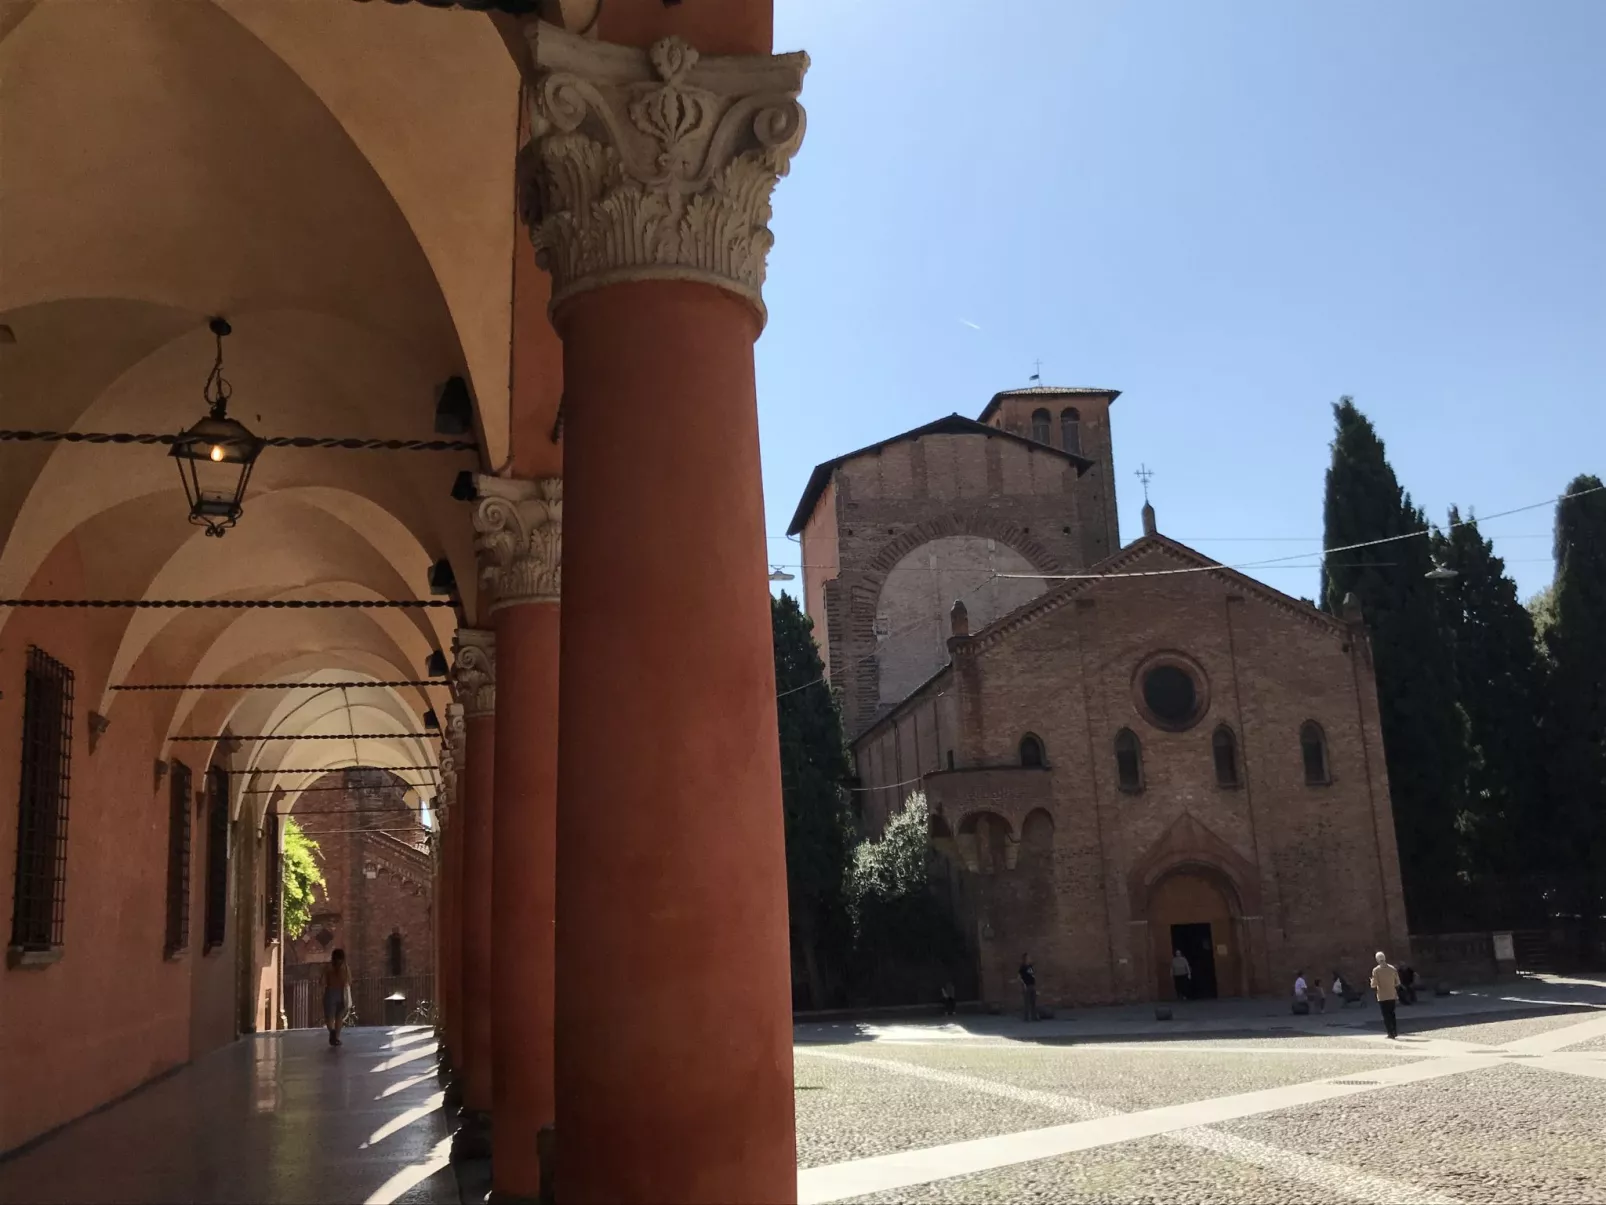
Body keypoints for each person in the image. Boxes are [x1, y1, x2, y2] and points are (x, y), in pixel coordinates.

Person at [324, 948, 352, 1047]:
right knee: (339, 1017)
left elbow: (322, 981)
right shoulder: (345, 968)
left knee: (329, 1017)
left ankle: (332, 1032)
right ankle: (336, 1038)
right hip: (341, 993)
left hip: (330, 992)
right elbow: (349, 980)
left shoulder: (328, 967)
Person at [1371, 950, 1400, 1039]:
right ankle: (1395, 1031)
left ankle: (1390, 1033)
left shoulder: (1376, 970)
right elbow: (1397, 982)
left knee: (1386, 1015)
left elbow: (1374, 985)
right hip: (1392, 994)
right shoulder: (1392, 968)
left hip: (1382, 996)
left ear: (1377, 960)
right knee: (1392, 1014)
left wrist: (1371, 981)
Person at [1018, 954, 1037, 1022]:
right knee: (1027, 1003)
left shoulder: (1030, 966)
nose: (1029, 959)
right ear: (1025, 959)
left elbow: (1032, 975)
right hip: (1026, 986)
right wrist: (1024, 985)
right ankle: (1026, 1018)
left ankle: (1034, 1017)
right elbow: (1020, 977)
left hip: (1032, 985)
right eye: (1028, 958)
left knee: (1033, 1002)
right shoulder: (1022, 967)